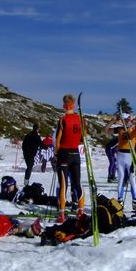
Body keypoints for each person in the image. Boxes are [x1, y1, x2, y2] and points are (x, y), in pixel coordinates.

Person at [55, 94, 84, 223]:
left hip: (64, 154)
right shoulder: (80, 119)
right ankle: (81, 210)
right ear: (74, 106)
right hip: (76, 154)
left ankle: (61, 214)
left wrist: (56, 153)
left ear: (64, 106)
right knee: (77, 183)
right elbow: (83, 138)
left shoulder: (63, 120)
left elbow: (58, 141)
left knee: (63, 184)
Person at [105, 114, 136, 211]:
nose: (126, 121)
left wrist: (134, 122)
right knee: (120, 178)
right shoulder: (120, 128)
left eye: (127, 119)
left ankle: (135, 199)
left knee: (132, 179)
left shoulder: (134, 127)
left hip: (130, 155)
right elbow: (106, 131)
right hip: (120, 154)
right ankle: (119, 199)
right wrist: (112, 121)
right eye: (124, 119)